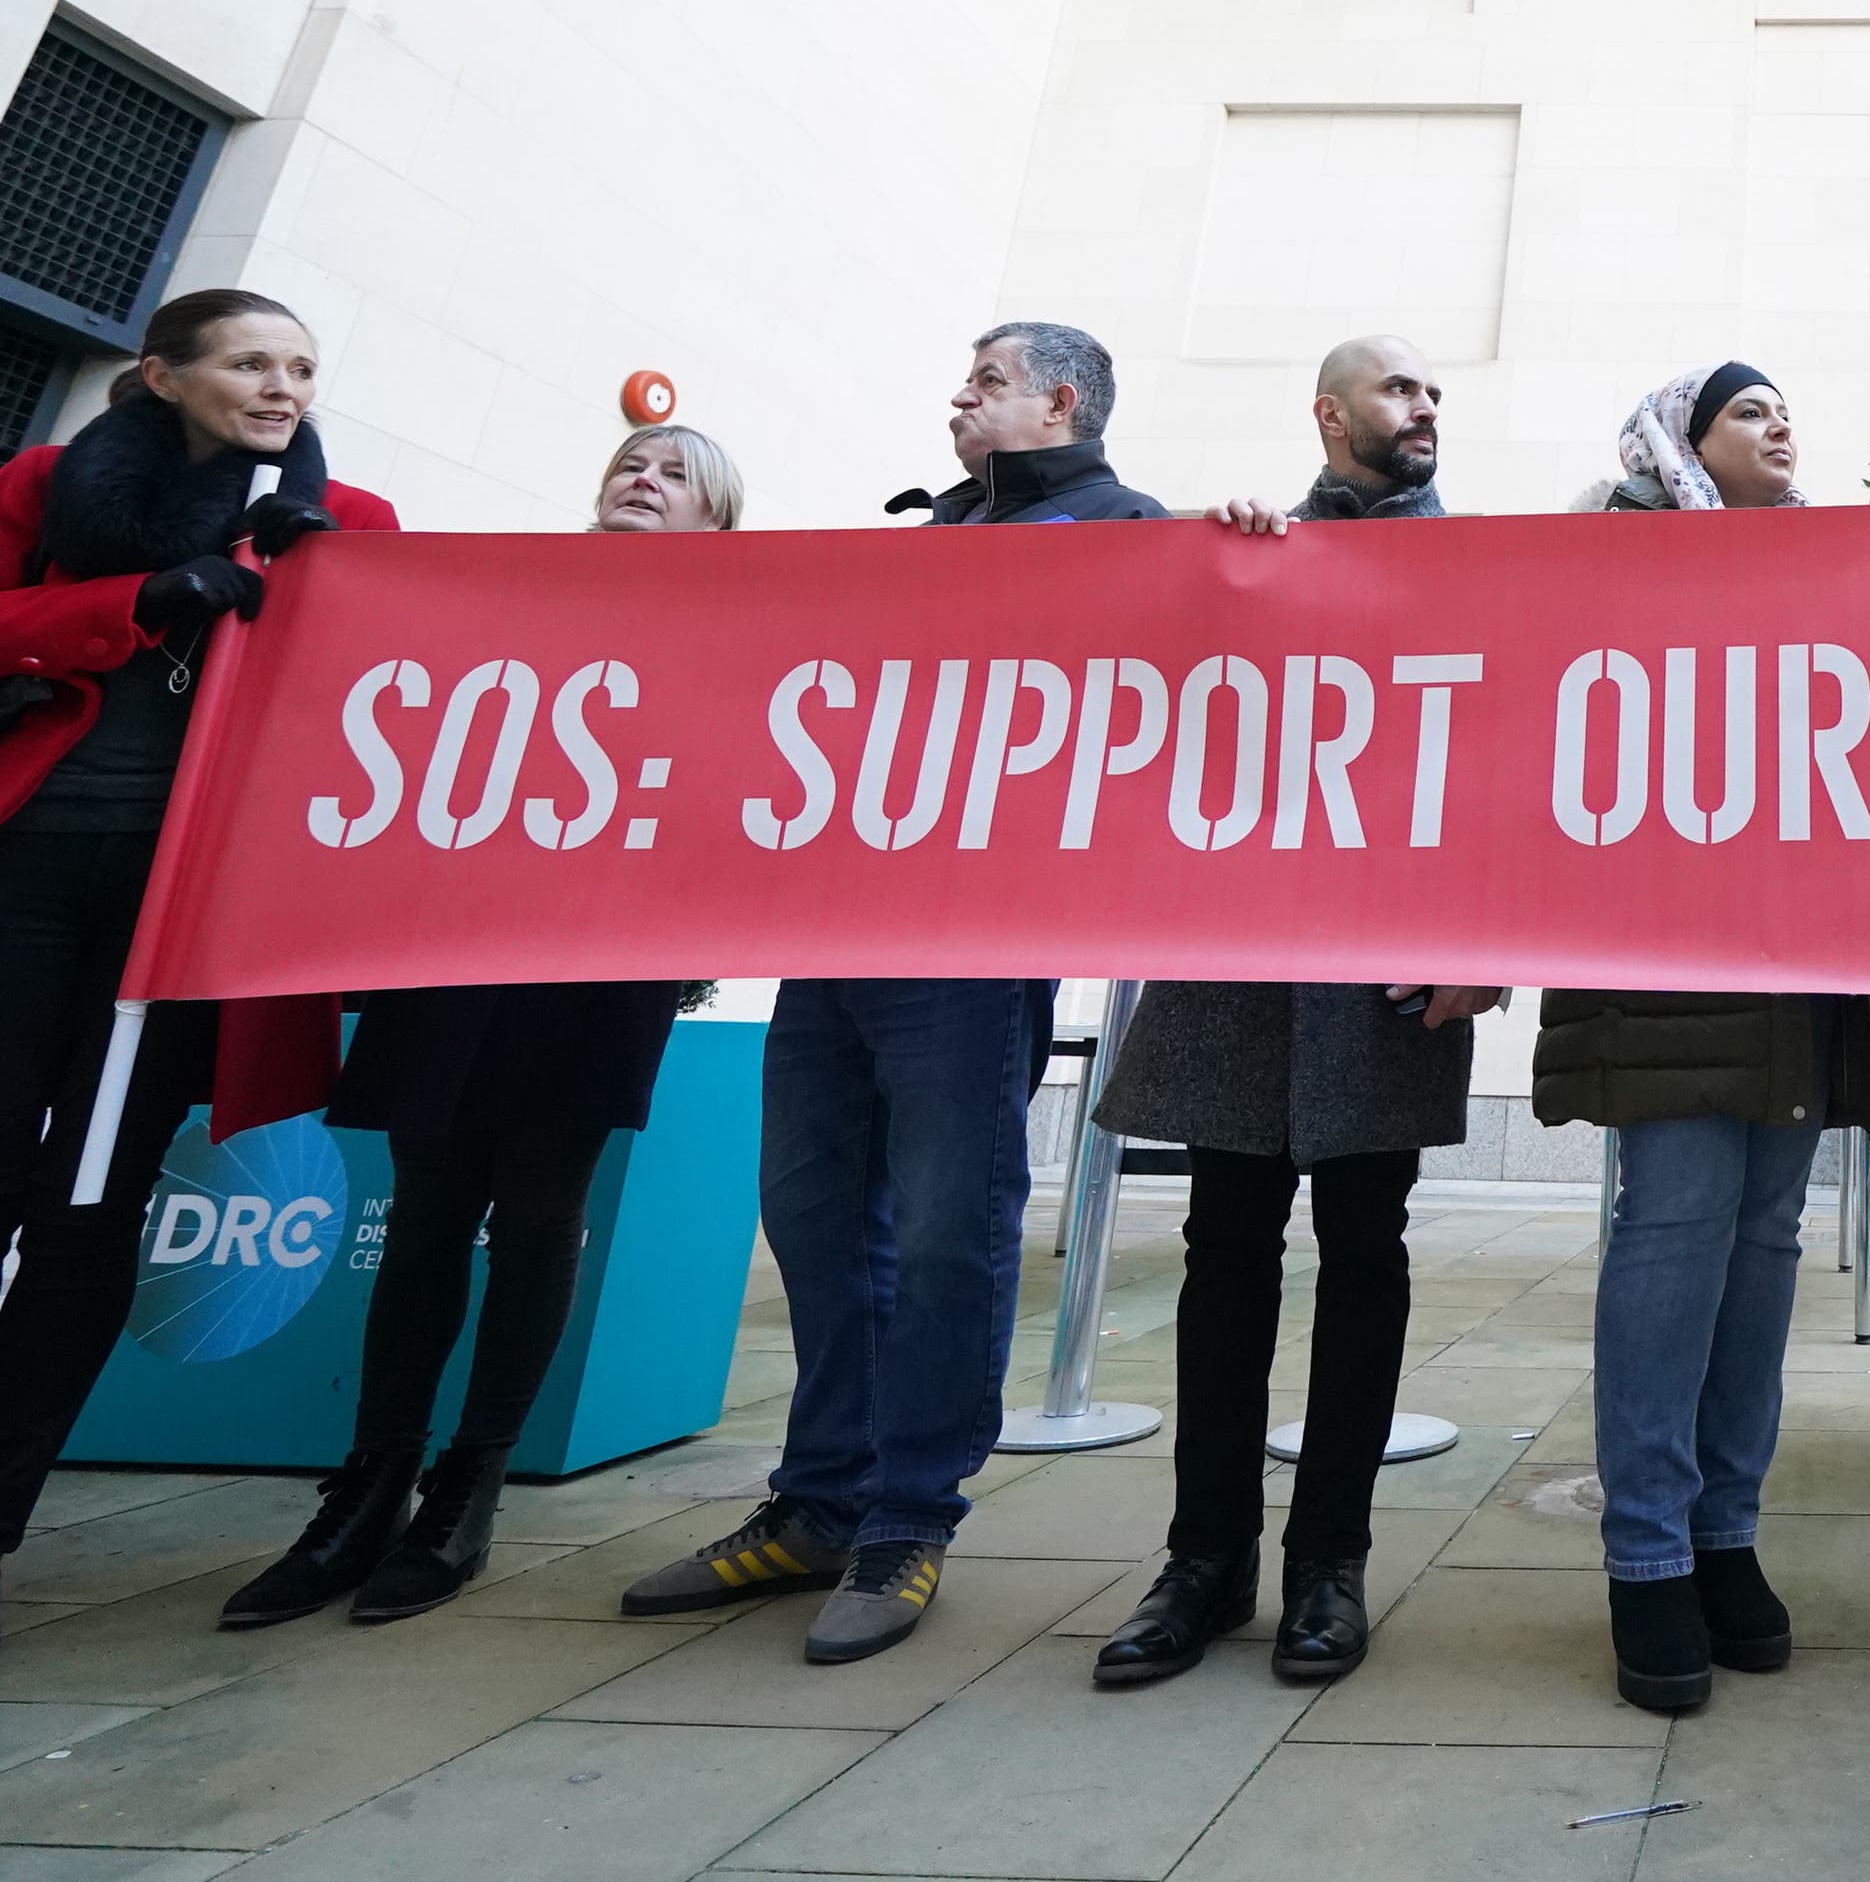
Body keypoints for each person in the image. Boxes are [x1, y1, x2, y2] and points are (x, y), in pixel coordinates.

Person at [622, 324, 1165, 1662]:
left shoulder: (1130, 534)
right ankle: (819, 1504)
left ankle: (908, 1517)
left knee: (943, 1231)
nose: (957, 398)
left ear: (1062, 399)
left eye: (985, 380)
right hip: (841, 922)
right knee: (815, 1219)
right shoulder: (924, 533)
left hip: (975, 943)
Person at [222, 425, 746, 1627]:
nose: (641, 479)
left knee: (540, 1205)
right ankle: (368, 1486)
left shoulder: (731, 627)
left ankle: (471, 1483)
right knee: (427, 1208)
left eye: (674, 475)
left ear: (717, 522)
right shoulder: (502, 589)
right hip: (453, 932)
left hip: (604, 949)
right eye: (629, 463)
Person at [1088, 338, 1500, 1688]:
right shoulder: (1250, 548)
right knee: (1223, 1253)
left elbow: (1509, 755)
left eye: (1434, 391)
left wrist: (1483, 942)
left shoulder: (1481, 568)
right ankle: (1202, 1561)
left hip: (1386, 964)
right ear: (1328, 414)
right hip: (1243, 957)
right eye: (1398, 389)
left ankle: (1330, 1562)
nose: (1424, 407)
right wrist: (1224, 566)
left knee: (1365, 1252)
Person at [1539, 364, 1870, 1712]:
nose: (1783, 426)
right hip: (1667, 959)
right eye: (1751, 411)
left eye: (1787, 410)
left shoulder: (1826, 565)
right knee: (1672, 1233)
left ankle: (1724, 1534)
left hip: (1802, 970)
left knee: (1763, 1244)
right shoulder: (1615, 548)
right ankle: (1644, 1555)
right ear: (1683, 439)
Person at [0, 291, 396, 1583]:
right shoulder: (50, 485)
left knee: (90, 1205)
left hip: (184, 909)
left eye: (301, 366)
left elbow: (386, 687)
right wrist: (144, 596)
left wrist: (310, 581)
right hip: (31, 863)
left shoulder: (354, 524)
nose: (282, 386)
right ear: (164, 376)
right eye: (249, 362)